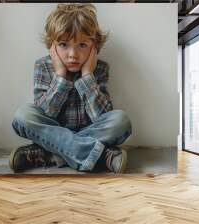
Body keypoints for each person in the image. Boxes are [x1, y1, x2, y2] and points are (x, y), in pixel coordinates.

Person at [10, 3, 132, 173]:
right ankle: (102, 156)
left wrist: (87, 75)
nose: (72, 54)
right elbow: (46, 114)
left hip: (88, 131)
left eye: (82, 45)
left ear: (94, 47)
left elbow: (101, 117)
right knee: (23, 115)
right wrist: (60, 75)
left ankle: (50, 155)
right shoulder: (43, 66)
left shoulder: (100, 68)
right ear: (52, 46)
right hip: (52, 131)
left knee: (121, 121)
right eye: (63, 45)